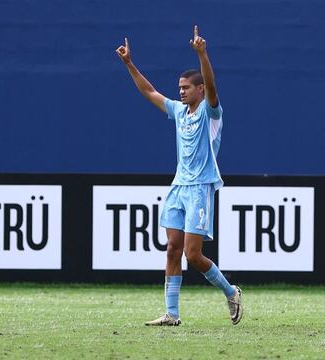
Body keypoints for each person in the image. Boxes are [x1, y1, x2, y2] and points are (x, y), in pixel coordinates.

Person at [115, 25, 242, 326]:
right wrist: (129, 64)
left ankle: (231, 291)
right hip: (178, 187)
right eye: (180, 87)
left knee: (193, 255)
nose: (181, 91)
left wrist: (202, 54)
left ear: (199, 90)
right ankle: (172, 314)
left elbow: (212, 87)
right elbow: (149, 91)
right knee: (172, 249)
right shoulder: (178, 111)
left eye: (186, 87)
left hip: (200, 187)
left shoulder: (210, 113)